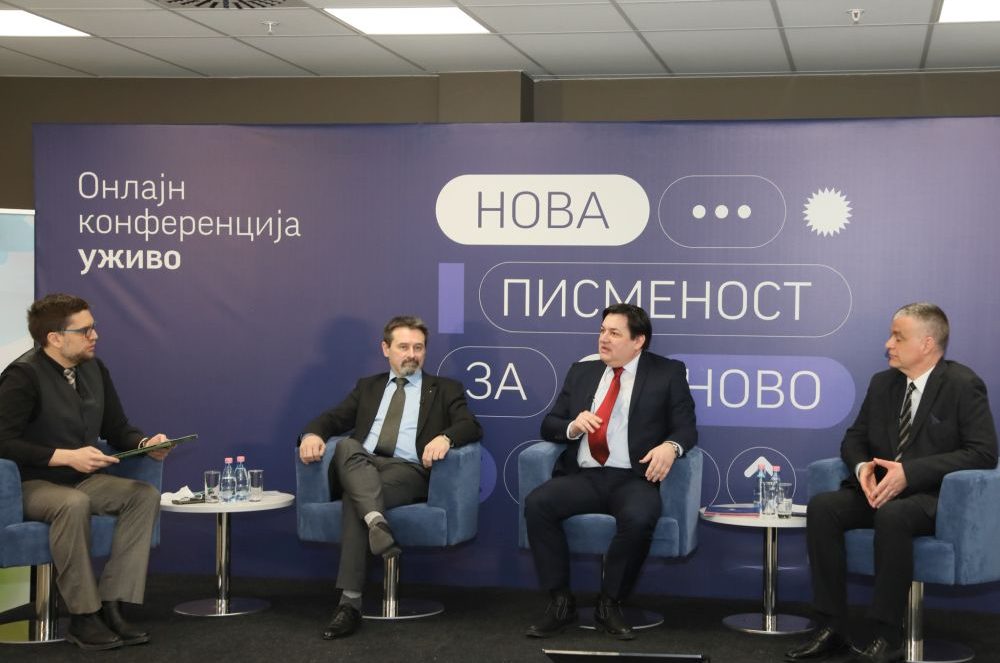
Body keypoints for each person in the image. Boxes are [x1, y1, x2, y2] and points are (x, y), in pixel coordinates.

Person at [785, 303, 998, 663]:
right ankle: (832, 627)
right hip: (879, 491)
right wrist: (862, 469)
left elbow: (983, 453)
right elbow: (854, 439)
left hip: (932, 497)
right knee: (823, 507)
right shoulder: (883, 383)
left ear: (927, 343)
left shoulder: (963, 384)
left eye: (898, 337)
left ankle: (888, 635)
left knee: (894, 515)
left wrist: (910, 473)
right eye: (891, 336)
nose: (888, 344)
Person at [0, 293, 172, 651]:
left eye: (93, 327)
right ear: (54, 338)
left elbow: (116, 428)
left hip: (82, 480)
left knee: (142, 496)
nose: (95, 336)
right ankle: (82, 615)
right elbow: (3, 441)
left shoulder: (94, 369)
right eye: (85, 330)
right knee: (72, 503)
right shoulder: (22, 376)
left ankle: (113, 604)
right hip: (31, 483)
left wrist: (144, 444)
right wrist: (63, 456)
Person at [298, 315, 483, 640]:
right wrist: (312, 434)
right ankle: (377, 523)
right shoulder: (368, 387)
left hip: (406, 472)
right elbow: (333, 419)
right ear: (386, 349)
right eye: (403, 347)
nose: (412, 354)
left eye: (418, 348)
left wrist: (446, 438)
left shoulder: (444, 389)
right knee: (347, 447)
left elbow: (471, 425)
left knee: (356, 497)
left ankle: (349, 604)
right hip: (359, 463)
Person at [523, 303, 698, 640]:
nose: (604, 339)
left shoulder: (667, 373)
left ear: (638, 341)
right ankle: (561, 603)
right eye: (602, 331)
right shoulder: (582, 371)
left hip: (633, 478)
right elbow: (549, 424)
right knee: (537, 504)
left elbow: (686, 428)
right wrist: (573, 426)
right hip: (585, 476)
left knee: (639, 517)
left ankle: (609, 604)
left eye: (614, 333)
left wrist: (671, 446)